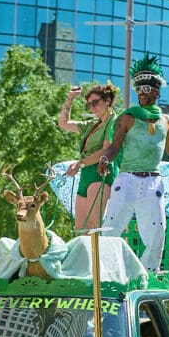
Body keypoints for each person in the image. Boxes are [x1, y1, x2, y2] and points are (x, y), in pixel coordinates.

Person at [95, 55, 169, 271]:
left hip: (153, 182)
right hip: (127, 179)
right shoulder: (127, 117)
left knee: (157, 233)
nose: (141, 93)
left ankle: (148, 275)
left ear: (156, 91)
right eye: (138, 89)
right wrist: (104, 158)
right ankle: (105, 273)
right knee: (110, 228)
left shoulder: (166, 120)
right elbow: (114, 146)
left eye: (145, 89)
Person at [61, 82, 120, 230]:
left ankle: (106, 253)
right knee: (80, 229)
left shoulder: (114, 121)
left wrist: (79, 164)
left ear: (107, 101)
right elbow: (64, 123)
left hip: (101, 173)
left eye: (95, 103)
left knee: (94, 227)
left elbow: (106, 150)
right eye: (89, 105)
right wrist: (70, 98)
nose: (92, 108)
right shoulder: (93, 124)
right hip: (86, 174)